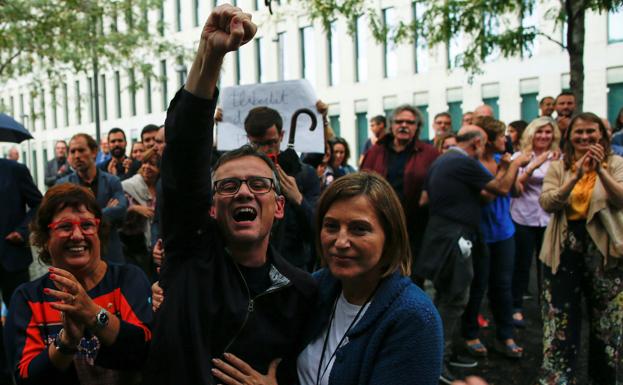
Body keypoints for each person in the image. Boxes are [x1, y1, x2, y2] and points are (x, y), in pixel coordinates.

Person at [144, 7, 316, 384]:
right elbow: (186, 153)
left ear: (280, 205)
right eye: (227, 185)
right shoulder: (189, 256)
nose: (243, 192)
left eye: (258, 184)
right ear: (210, 206)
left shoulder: (302, 291)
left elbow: (314, 367)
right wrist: (211, 57)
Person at [211, 172, 443, 385]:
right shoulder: (317, 286)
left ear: (390, 236)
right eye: (331, 226)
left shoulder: (413, 318)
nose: (340, 242)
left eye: (359, 229)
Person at [414, 124, 529, 384]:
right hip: (454, 237)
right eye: (484, 143)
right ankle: (436, 362)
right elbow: (500, 189)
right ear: (477, 143)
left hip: (444, 234)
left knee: (447, 296)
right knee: (453, 298)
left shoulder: (445, 160)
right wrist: (517, 163)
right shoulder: (461, 161)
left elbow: (476, 197)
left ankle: (440, 354)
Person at [4, 184, 152, 384]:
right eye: (65, 227)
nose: (77, 235)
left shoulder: (127, 280)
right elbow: (24, 377)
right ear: (45, 238)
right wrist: (66, 343)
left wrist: (92, 314)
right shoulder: (28, 299)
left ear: (98, 231)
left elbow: (146, 351)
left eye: (87, 225)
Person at [538, 112, 623, 385]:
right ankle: (559, 378)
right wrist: (574, 177)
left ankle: (607, 377)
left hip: (604, 248)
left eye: (591, 132)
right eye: (579, 132)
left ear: (602, 135)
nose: (585, 137)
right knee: (559, 316)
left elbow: (621, 199)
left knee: (608, 320)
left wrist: (600, 171)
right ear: (569, 136)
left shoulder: (617, 163)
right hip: (564, 245)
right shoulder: (559, 167)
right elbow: (548, 203)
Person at [461, 117, 524, 362]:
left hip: (504, 232)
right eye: (500, 137)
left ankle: (505, 336)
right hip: (481, 235)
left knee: (503, 287)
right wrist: (507, 169)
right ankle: (470, 334)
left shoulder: (502, 160)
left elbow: (516, 190)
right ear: (486, 140)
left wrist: (513, 167)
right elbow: (487, 197)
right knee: (477, 287)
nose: (505, 141)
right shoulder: (473, 165)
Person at [243, 106, 321, 270]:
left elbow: (317, 229)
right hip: (251, 266)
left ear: (281, 136)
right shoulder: (241, 174)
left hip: (293, 268)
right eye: (258, 144)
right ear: (248, 139)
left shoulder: (304, 174)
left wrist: (298, 199)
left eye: (271, 142)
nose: (265, 150)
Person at [361, 104, 439, 267]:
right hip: (380, 221)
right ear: (392, 125)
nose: (404, 125)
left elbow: (438, 185)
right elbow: (362, 180)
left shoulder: (429, 153)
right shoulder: (376, 151)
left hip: (416, 225)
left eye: (409, 122)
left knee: (412, 271)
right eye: (399, 121)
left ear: (417, 127)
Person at [510, 117, 560, 328]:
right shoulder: (519, 157)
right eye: (539, 132)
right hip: (524, 215)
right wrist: (533, 165)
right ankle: (515, 306)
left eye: (548, 132)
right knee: (521, 264)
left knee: (548, 265)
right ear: (531, 134)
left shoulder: (559, 157)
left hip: (549, 217)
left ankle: (547, 305)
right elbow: (515, 187)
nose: (544, 136)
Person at [57, 133, 128, 264]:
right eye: (73, 151)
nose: (77, 156)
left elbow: (121, 209)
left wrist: (81, 217)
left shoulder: (112, 181)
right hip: (77, 253)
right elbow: (60, 218)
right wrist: (105, 212)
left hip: (109, 252)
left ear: (94, 152)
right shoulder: (63, 186)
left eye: (81, 150)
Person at [120, 149, 160, 278]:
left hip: (156, 248)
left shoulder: (162, 188)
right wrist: (133, 208)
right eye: (145, 162)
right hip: (135, 249)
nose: (146, 167)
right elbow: (117, 211)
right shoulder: (127, 186)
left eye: (152, 164)